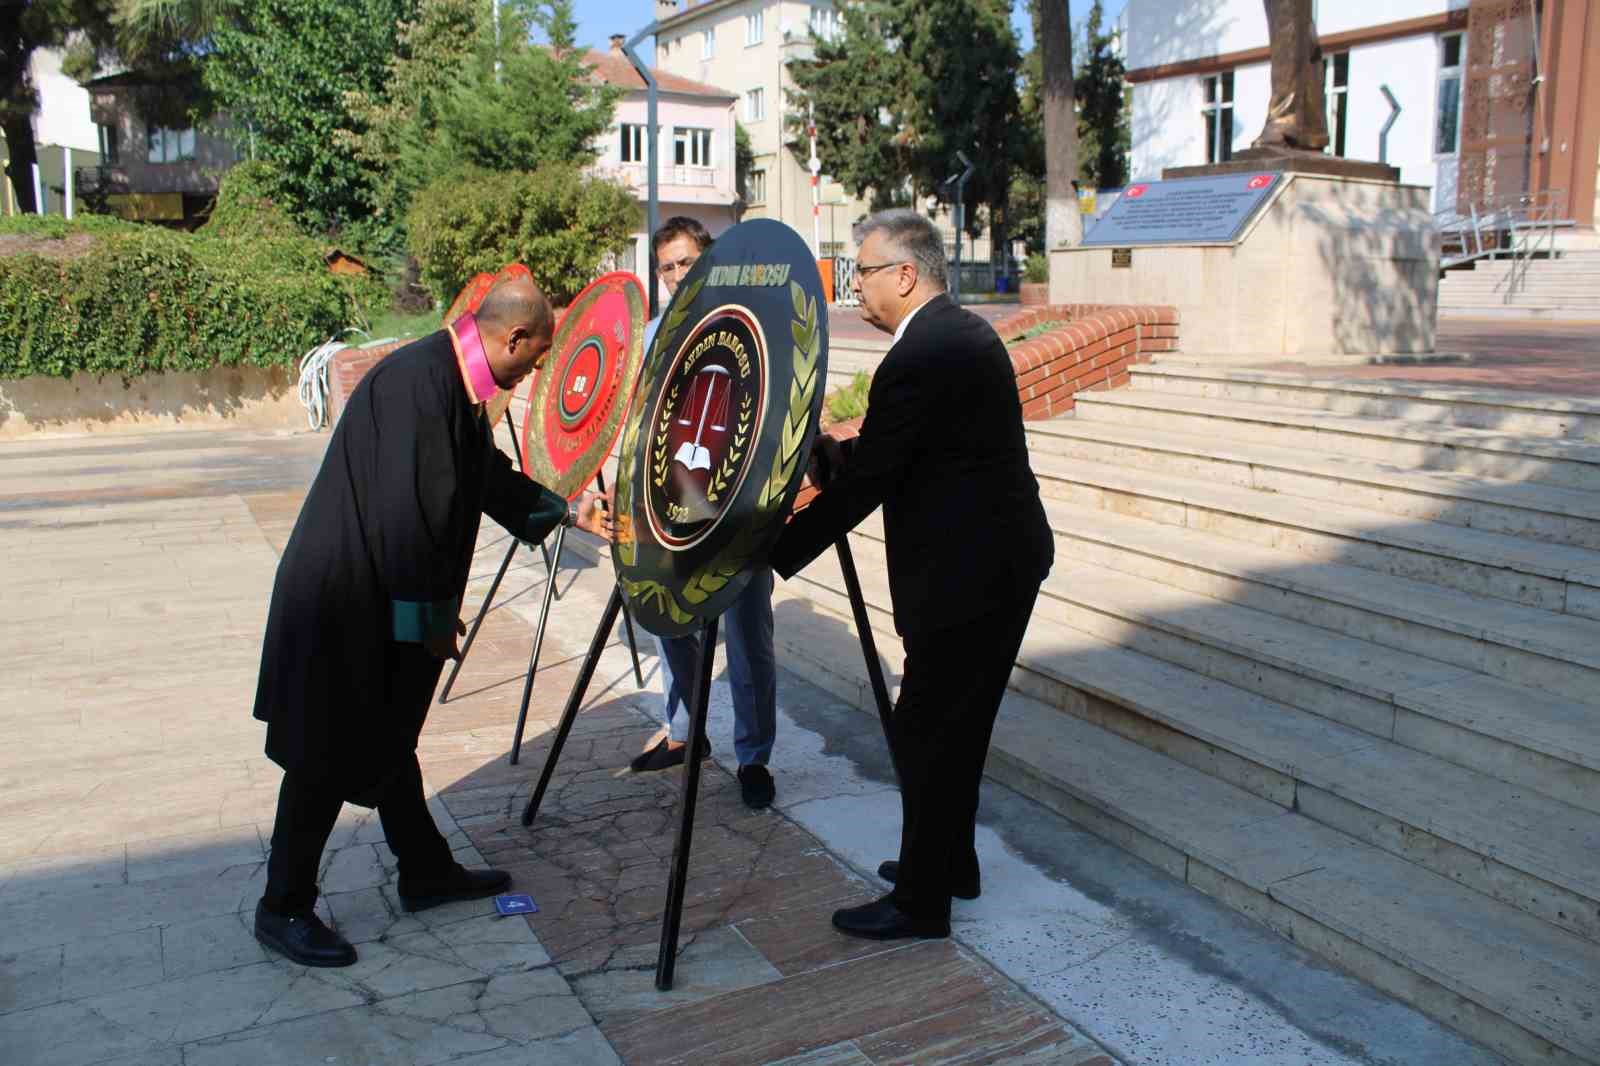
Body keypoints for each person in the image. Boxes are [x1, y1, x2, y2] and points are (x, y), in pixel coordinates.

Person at [251, 274, 606, 967]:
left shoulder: (448, 379)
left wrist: (567, 510)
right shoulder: (421, 385)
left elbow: (483, 477)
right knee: (324, 754)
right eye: (533, 360)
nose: (533, 374)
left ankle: (424, 870)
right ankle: (283, 905)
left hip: (370, 590)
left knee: (386, 734)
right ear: (513, 337)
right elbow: (406, 524)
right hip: (344, 595)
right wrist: (431, 623)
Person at [769, 209, 1054, 941]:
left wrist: (773, 550)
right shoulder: (952, 334)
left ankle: (922, 902)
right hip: (993, 562)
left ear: (904, 273)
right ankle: (949, 864)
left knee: (927, 729)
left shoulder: (923, 353)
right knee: (954, 731)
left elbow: (872, 481)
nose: (852, 284)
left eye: (859, 270)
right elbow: (898, 450)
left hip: (970, 576)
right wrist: (832, 458)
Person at [625, 216, 779, 811]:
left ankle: (754, 757)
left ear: (710, 259)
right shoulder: (655, 335)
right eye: (667, 266)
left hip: (736, 504)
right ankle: (687, 732)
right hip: (673, 504)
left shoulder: (749, 321)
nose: (676, 275)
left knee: (747, 636)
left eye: (686, 262)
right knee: (666, 620)